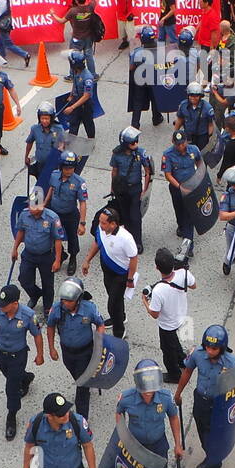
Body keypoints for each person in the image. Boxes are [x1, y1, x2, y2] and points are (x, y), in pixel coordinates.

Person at [174, 324, 235, 468]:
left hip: (219, 406)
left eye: (215, 348)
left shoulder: (232, 363)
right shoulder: (197, 354)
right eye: (208, 347)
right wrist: (178, 393)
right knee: (203, 434)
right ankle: (210, 457)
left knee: (216, 439)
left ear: (222, 347)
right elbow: (187, 372)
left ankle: (213, 467)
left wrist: (229, 379)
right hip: (200, 402)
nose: (211, 351)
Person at [0, 283, 43, 440]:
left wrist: (40, 354)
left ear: (15, 304)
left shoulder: (28, 315)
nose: (0, 307)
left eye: (4, 305)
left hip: (18, 356)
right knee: (12, 377)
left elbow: (37, 335)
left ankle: (11, 416)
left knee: (11, 388)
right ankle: (26, 378)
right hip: (1, 353)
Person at [46, 277, 106, 419]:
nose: (65, 303)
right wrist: (51, 348)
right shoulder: (56, 309)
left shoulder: (89, 308)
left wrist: (99, 341)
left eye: (69, 301)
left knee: (82, 386)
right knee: (77, 377)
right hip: (67, 352)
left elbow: (100, 324)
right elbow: (50, 326)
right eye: (63, 300)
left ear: (78, 299)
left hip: (86, 352)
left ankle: (82, 419)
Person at [82, 208, 139, 339]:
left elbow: (134, 258)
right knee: (115, 299)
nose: (100, 225)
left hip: (121, 275)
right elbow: (97, 242)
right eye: (100, 222)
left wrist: (130, 279)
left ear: (113, 224)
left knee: (112, 304)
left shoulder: (126, 238)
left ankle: (119, 332)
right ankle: (120, 316)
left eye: (103, 223)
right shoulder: (101, 230)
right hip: (107, 272)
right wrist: (87, 260)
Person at [142, 247, 194, 381]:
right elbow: (194, 286)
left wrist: (145, 302)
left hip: (167, 324)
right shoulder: (183, 273)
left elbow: (154, 314)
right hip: (181, 316)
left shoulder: (159, 290)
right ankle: (182, 359)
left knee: (167, 349)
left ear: (157, 268)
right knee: (173, 341)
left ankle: (174, 374)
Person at [12, 187, 65, 310]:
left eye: (35, 207)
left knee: (48, 284)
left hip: (46, 256)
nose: (31, 209)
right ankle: (35, 294)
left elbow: (58, 240)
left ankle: (47, 308)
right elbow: (20, 231)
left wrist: (57, 260)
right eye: (30, 206)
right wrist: (15, 248)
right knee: (24, 279)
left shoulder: (52, 218)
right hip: (29, 254)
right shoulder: (24, 215)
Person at [109, 126, 153, 251]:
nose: (136, 144)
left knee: (135, 216)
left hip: (135, 189)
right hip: (122, 190)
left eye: (137, 141)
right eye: (133, 142)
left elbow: (148, 172)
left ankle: (138, 242)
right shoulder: (116, 155)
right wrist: (112, 189)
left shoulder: (140, 153)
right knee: (125, 216)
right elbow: (114, 171)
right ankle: (128, 241)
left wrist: (145, 191)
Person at [45, 151, 88, 276]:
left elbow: (83, 202)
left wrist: (82, 223)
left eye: (71, 168)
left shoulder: (79, 182)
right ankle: (61, 254)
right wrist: (45, 203)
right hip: (54, 213)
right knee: (52, 235)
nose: (69, 171)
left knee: (72, 238)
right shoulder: (54, 175)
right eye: (66, 168)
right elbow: (51, 189)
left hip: (70, 214)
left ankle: (72, 259)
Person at [162, 129, 204, 255]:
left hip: (190, 189)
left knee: (188, 217)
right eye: (178, 144)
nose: (181, 146)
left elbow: (199, 162)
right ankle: (181, 227)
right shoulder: (168, 154)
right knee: (179, 212)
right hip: (176, 188)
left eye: (183, 143)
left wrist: (199, 178)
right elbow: (168, 175)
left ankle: (188, 247)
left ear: (186, 141)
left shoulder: (194, 150)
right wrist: (180, 187)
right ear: (173, 143)